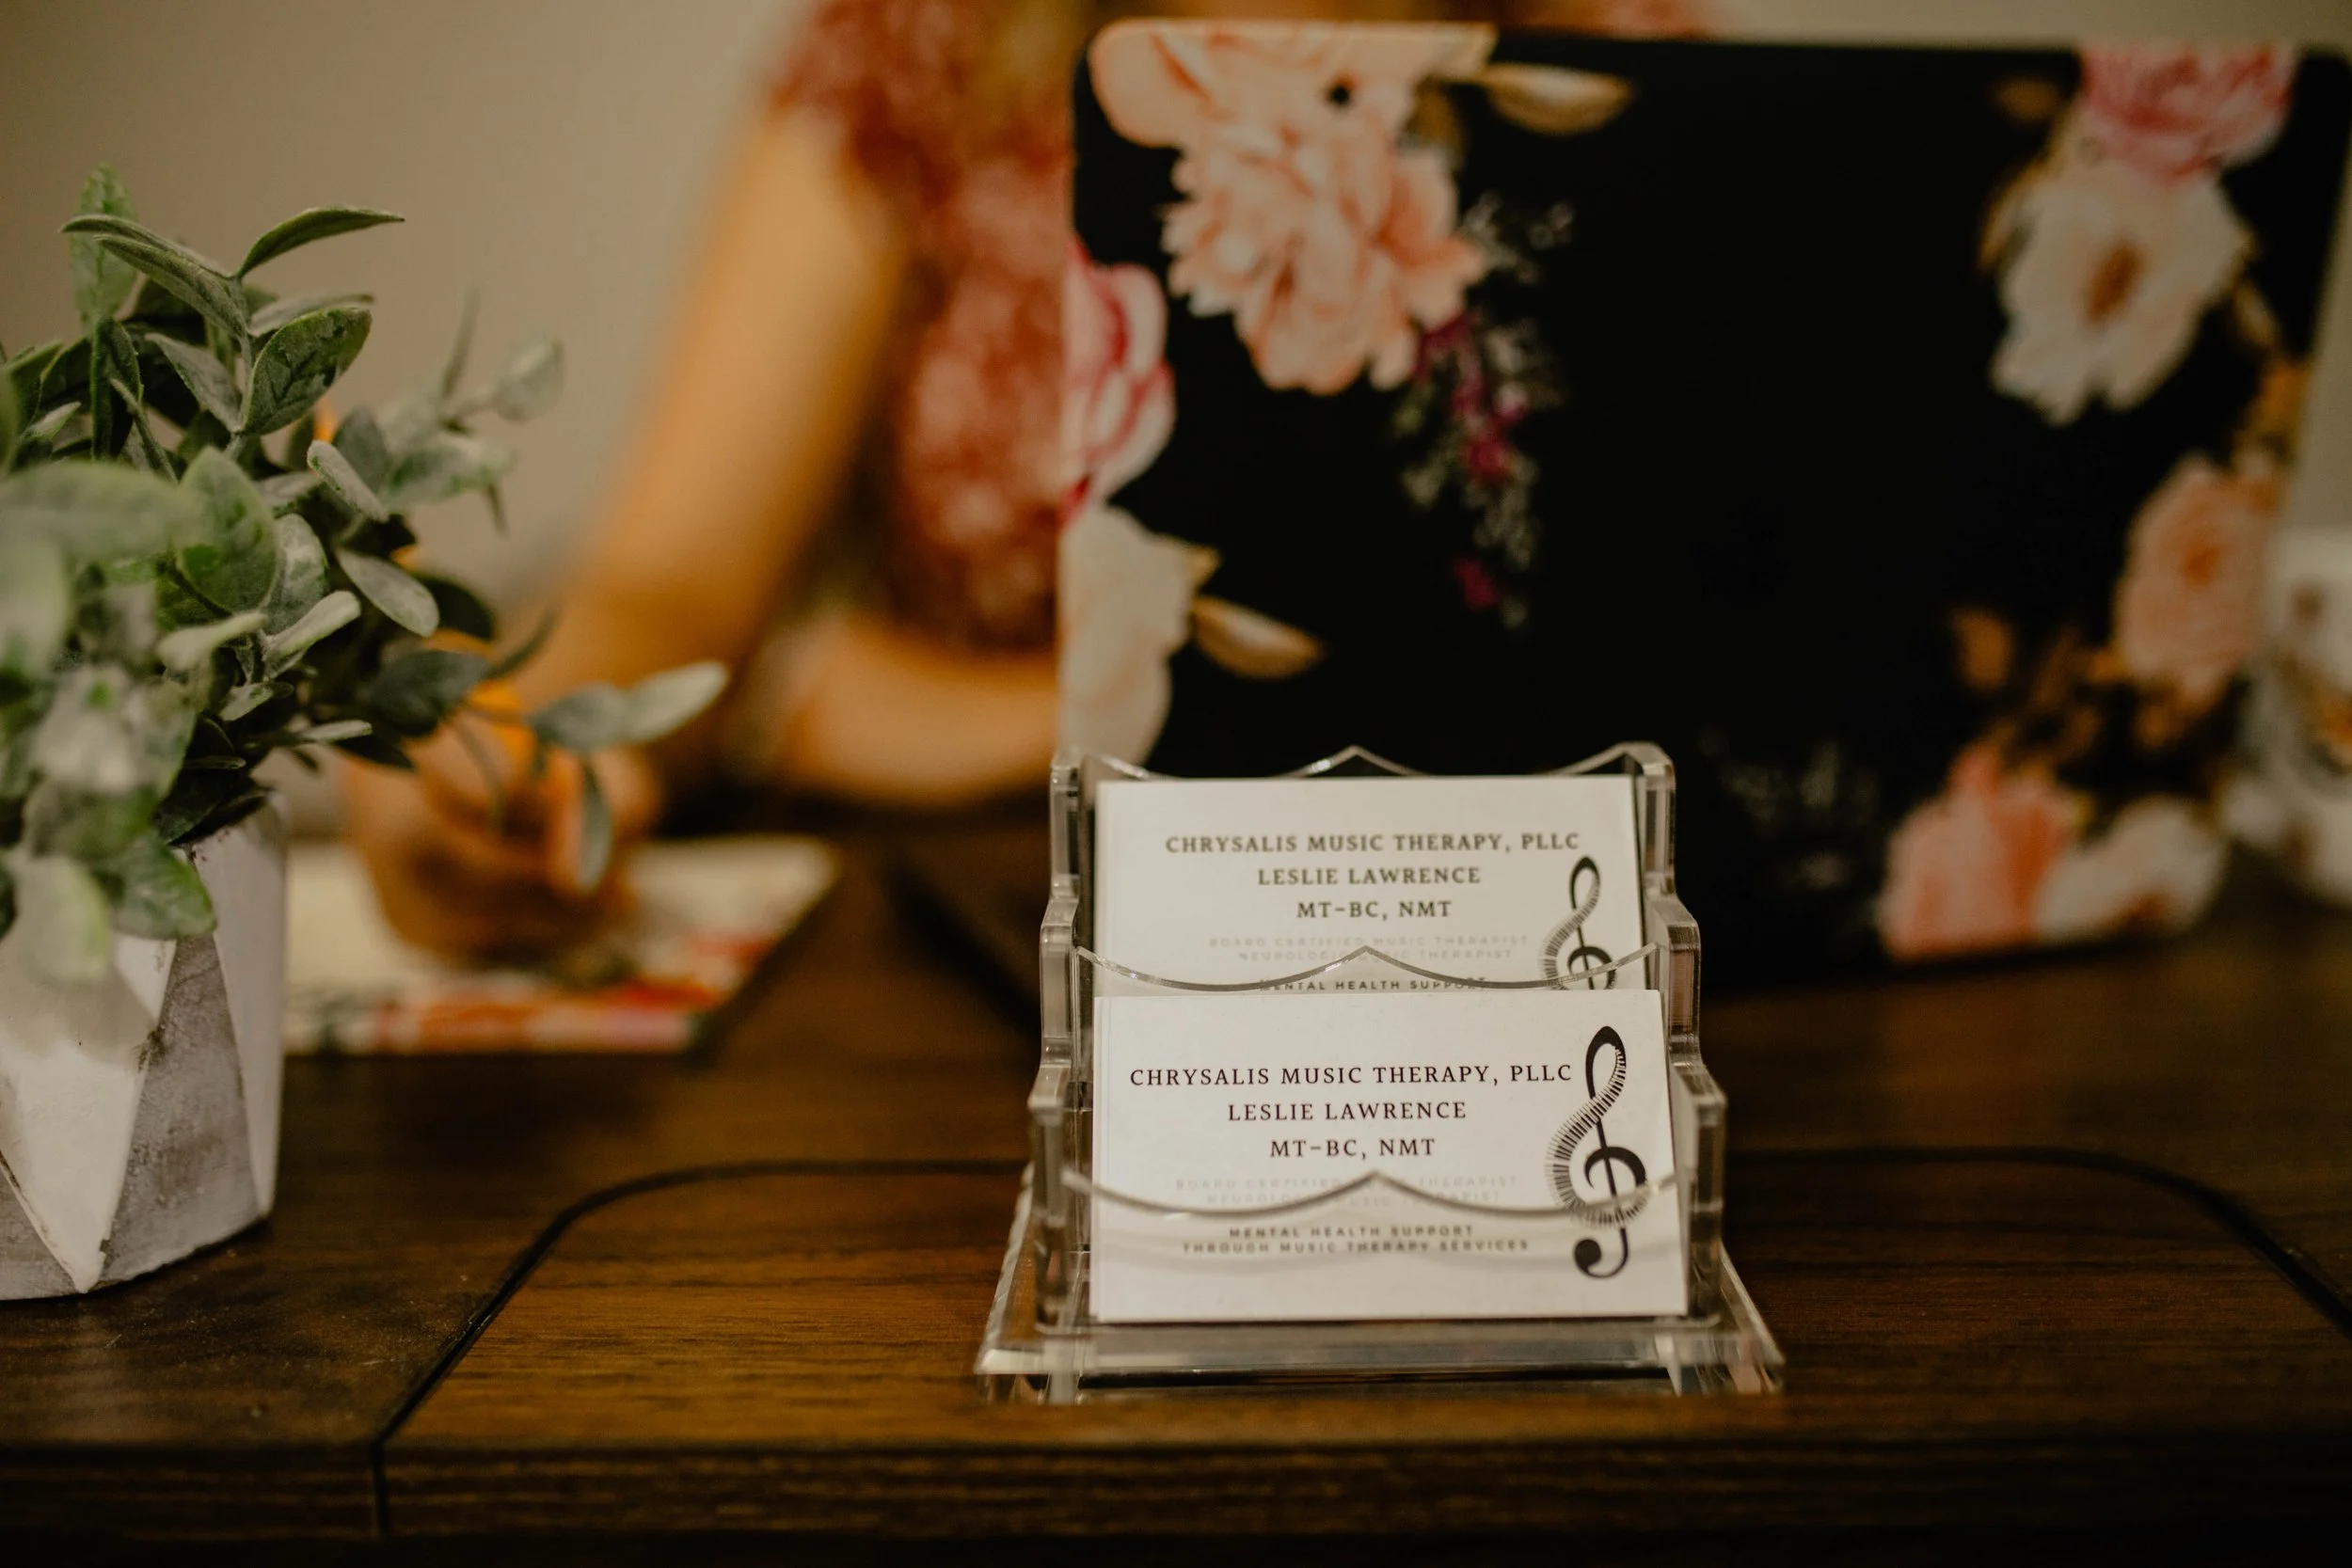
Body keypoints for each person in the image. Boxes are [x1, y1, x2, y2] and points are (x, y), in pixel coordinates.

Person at [339, 0, 1703, 958]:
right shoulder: (925, 45)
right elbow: (670, 581)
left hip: (1523, 940)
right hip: (980, 977)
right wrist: (517, 741)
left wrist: (946, 714)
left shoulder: (1615, 63)